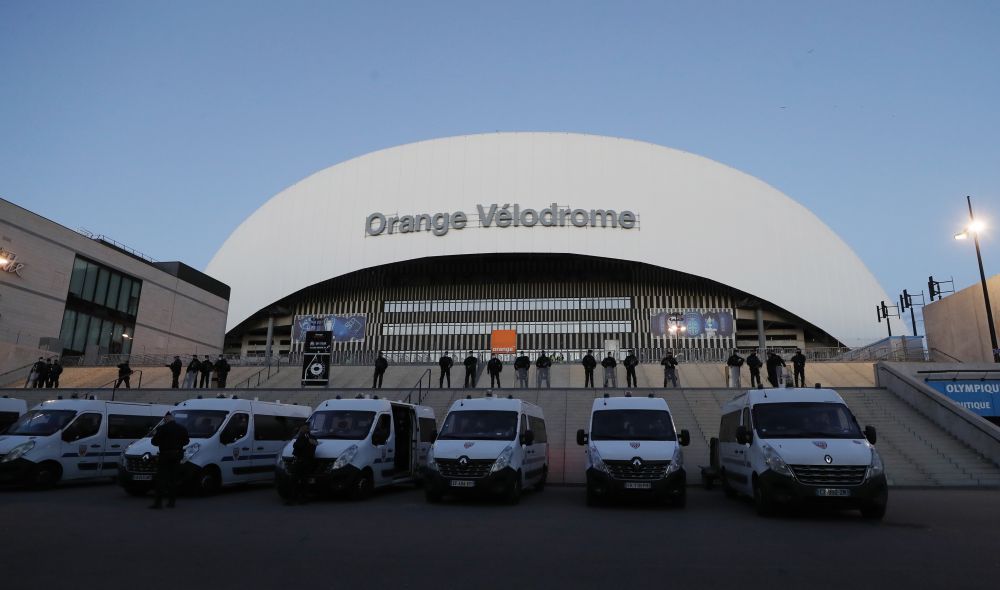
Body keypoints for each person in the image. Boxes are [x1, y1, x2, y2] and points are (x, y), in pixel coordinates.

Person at [150, 412, 189, 509]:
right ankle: (172, 502)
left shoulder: (162, 429)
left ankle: (158, 503)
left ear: (166, 418)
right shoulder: (182, 428)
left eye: (164, 419)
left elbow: (154, 442)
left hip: (165, 455)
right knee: (173, 479)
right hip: (177, 455)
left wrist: (155, 435)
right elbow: (186, 441)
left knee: (161, 479)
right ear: (172, 418)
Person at [287, 424, 318, 505]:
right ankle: (303, 498)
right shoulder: (312, 437)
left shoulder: (302, 437)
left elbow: (297, 446)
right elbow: (315, 445)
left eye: (302, 428)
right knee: (304, 480)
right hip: (308, 462)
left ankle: (293, 498)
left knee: (294, 480)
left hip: (300, 461)